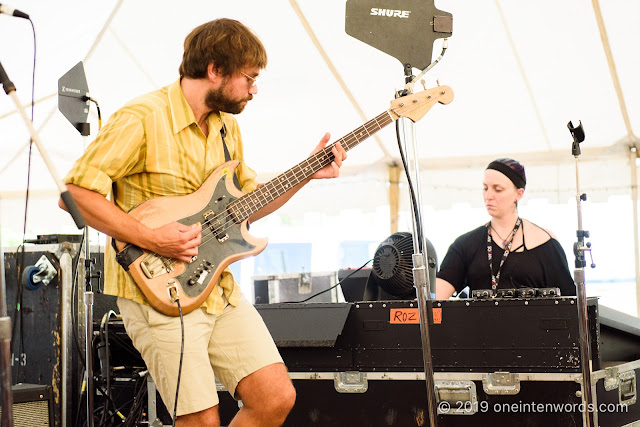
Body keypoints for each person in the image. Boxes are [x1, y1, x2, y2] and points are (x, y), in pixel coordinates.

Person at [59, 18, 347, 426]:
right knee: (200, 421)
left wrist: (307, 175)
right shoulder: (141, 117)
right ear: (214, 70)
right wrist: (153, 238)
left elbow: (247, 205)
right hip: (157, 294)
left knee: (274, 397)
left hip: (217, 288)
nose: (254, 88)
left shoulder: (228, 126)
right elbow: (74, 195)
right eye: (248, 77)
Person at [435, 158, 576, 299]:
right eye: (485, 188)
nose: (488, 196)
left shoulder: (546, 242)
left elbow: (570, 302)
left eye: (498, 189)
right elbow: (437, 300)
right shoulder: (465, 245)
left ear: (519, 194)